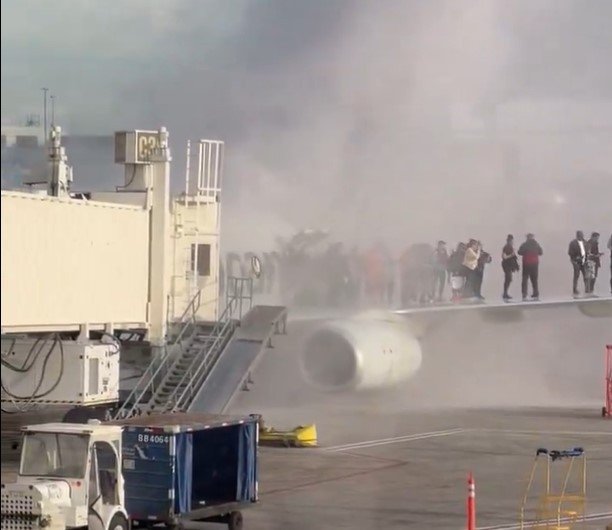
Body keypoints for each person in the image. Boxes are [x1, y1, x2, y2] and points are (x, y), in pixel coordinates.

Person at [517, 233, 543, 301]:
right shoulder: (536, 244)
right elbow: (541, 252)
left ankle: (524, 295)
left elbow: (519, 252)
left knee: (525, 279)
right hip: (535, 264)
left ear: (527, 238)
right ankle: (536, 294)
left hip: (526, 264)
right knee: (534, 280)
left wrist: (525, 252)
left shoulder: (524, 244)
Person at [568, 230, 587, 296]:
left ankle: (587, 288)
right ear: (577, 236)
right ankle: (575, 289)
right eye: (580, 235)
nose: (581, 236)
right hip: (576, 261)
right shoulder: (573, 243)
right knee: (576, 275)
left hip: (583, 261)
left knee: (585, 275)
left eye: (582, 235)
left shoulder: (585, 242)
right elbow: (570, 252)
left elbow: (587, 250)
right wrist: (576, 257)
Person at [501, 234, 519, 300]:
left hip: (508, 265)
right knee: (508, 278)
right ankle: (505, 293)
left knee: (509, 279)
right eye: (512, 241)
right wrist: (511, 255)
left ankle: (505, 293)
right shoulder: (506, 247)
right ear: (509, 241)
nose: (512, 242)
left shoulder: (510, 247)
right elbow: (504, 257)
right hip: (506, 265)